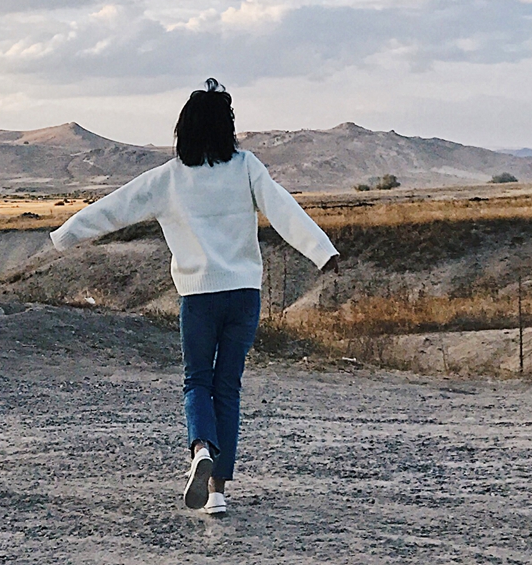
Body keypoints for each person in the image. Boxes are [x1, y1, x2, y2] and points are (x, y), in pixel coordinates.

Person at [47, 78, 341, 516]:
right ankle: (218, 492)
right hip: (243, 296)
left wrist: (65, 235)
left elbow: (115, 206)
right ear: (228, 128)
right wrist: (322, 251)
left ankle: (201, 446)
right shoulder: (246, 167)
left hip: (199, 298)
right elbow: (283, 208)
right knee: (228, 388)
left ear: (183, 130)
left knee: (197, 382)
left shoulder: (168, 179)